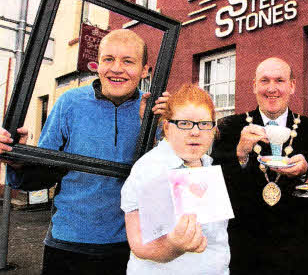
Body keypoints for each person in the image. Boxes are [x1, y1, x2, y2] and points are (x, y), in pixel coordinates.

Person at [0, 29, 168, 275]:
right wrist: (18, 158)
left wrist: (163, 127)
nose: (117, 68)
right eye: (108, 59)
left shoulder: (156, 111)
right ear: (97, 65)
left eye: (128, 61)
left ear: (145, 70)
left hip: (133, 244)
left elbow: (171, 178)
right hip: (68, 243)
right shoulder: (69, 103)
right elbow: (44, 174)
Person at [211, 57, 308, 275]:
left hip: (302, 251)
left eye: (279, 80)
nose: (272, 88)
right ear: (254, 85)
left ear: (292, 86)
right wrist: (240, 153)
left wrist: (307, 169)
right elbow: (216, 187)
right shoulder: (229, 128)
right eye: (265, 81)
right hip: (247, 250)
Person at [121, 84, 230, 274]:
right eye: (184, 123)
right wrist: (175, 246)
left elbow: (217, 239)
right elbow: (140, 245)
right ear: (167, 128)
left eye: (204, 124)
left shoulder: (207, 165)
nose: (195, 132)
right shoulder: (151, 170)